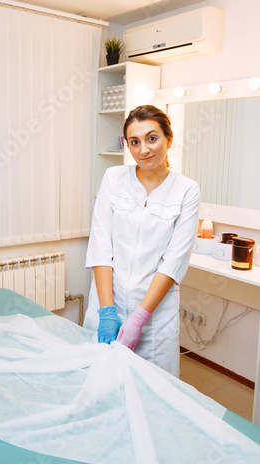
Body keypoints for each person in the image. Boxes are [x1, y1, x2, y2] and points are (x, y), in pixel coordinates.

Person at [83, 105, 200, 377]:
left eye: (152, 138)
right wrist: (107, 311)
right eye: (134, 142)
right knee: (99, 383)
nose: (143, 150)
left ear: (168, 140)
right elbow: (101, 246)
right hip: (106, 304)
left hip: (153, 319)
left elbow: (173, 263)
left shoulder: (186, 190)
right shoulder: (114, 178)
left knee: (152, 390)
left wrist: (139, 318)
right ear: (127, 144)